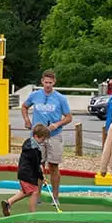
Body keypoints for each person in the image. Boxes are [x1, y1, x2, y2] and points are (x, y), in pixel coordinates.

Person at [21, 70, 72, 207]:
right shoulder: (35, 95)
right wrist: (26, 120)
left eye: (50, 83)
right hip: (37, 136)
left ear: (54, 82)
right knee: (38, 165)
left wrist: (57, 124)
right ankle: (36, 195)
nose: (48, 85)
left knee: (54, 166)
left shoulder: (60, 98)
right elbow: (24, 106)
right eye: (46, 82)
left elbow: (68, 117)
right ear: (42, 81)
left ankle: (55, 197)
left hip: (54, 135)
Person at [1, 124, 50, 216]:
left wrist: (40, 173)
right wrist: (42, 177)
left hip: (23, 172)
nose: (43, 141)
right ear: (36, 136)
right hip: (28, 174)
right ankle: (33, 214)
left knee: (26, 191)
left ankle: (8, 203)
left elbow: (36, 164)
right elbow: (36, 166)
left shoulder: (28, 143)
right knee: (34, 192)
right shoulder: (34, 150)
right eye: (42, 139)